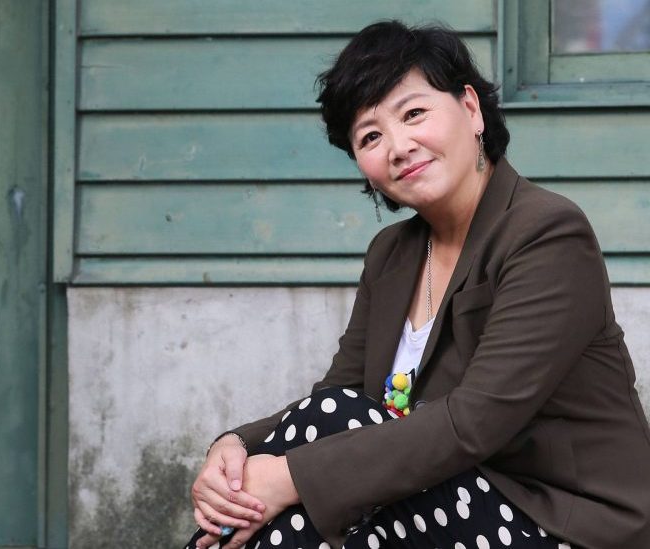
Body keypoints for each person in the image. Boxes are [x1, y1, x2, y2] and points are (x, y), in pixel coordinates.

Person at [184, 20, 650, 549]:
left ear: (470, 109)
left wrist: (287, 477)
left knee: (322, 480)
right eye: (371, 136)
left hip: (563, 523)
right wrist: (238, 447)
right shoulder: (393, 254)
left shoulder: (546, 234)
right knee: (316, 502)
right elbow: (341, 394)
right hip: (450, 505)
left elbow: (474, 422)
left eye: (413, 114)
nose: (399, 146)